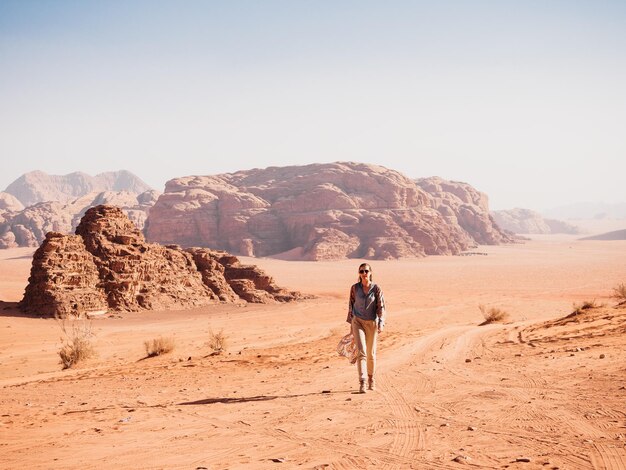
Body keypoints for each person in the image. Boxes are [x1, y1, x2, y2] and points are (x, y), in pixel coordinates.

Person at [346, 262, 386, 393]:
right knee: (361, 351)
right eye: (361, 271)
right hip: (357, 322)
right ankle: (362, 381)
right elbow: (351, 305)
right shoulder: (354, 288)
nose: (364, 274)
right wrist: (350, 324)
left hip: (371, 323)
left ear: (370, 273)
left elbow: (381, 307)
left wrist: (381, 323)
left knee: (371, 354)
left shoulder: (376, 289)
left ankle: (371, 378)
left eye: (366, 271)